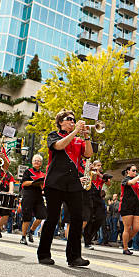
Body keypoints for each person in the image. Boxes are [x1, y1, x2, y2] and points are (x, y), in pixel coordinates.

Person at [37, 110, 93, 267]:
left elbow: (88, 154)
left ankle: (74, 257)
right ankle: (43, 254)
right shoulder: (53, 135)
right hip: (55, 183)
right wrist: (75, 131)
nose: (72, 121)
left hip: (73, 184)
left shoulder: (78, 140)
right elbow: (59, 146)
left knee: (77, 219)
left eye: (74, 120)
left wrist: (86, 136)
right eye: (69, 119)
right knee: (52, 219)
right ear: (60, 122)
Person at [83, 160, 111, 249]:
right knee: (90, 219)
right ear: (94, 166)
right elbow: (91, 179)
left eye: (100, 165)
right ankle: (87, 241)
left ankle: (90, 236)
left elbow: (108, 183)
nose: (100, 167)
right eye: (98, 165)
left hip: (98, 197)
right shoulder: (90, 172)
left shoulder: (102, 175)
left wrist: (100, 174)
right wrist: (93, 171)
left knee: (101, 218)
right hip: (90, 196)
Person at [20, 154, 46, 245]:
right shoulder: (28, 171)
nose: (37, 162)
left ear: (41, 163)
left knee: (41, 216)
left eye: (38, 161)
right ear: (32, 162)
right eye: (35, 160)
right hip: (28, 196)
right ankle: (23, 237)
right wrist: (34, 182)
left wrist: (43, 187)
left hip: (38, 197)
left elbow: (44, 187)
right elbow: (24, 183)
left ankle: (31, 231)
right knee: (27, 218)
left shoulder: (43, 174)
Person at [119, 165, 139, 255]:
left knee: (136, 228)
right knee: (127, 228)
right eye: (133, 170)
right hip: (126, 206)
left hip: (136, 206)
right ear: (128, 171)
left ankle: (124, 241)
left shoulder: (138, 181)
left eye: (136, 171)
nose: (135, 172)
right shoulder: (125, 179)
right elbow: (131, 183)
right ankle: (125, 248)